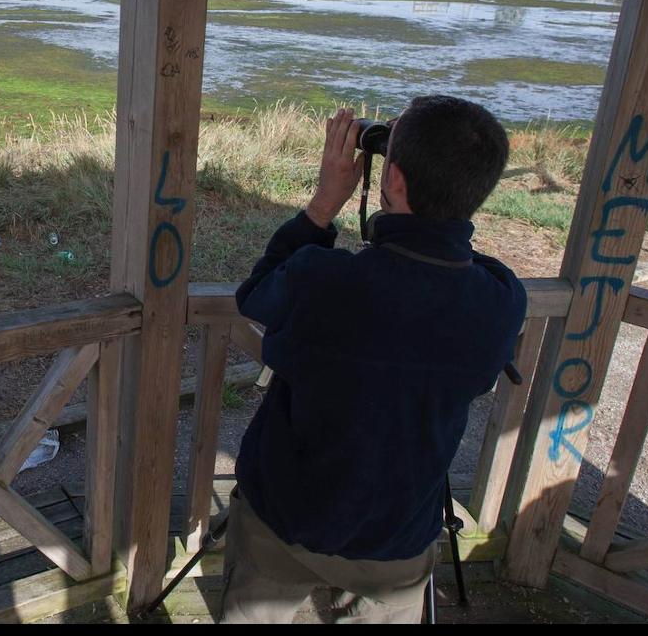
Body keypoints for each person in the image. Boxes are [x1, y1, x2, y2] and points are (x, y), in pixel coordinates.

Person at [221, 96, 526, 624]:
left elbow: (256, 294)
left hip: (288, 519)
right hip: (399, 537)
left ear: (396, 181)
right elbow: (449, 265)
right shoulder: (500, 299)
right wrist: (435, 212)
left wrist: (325, 202)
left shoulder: (325, 279)